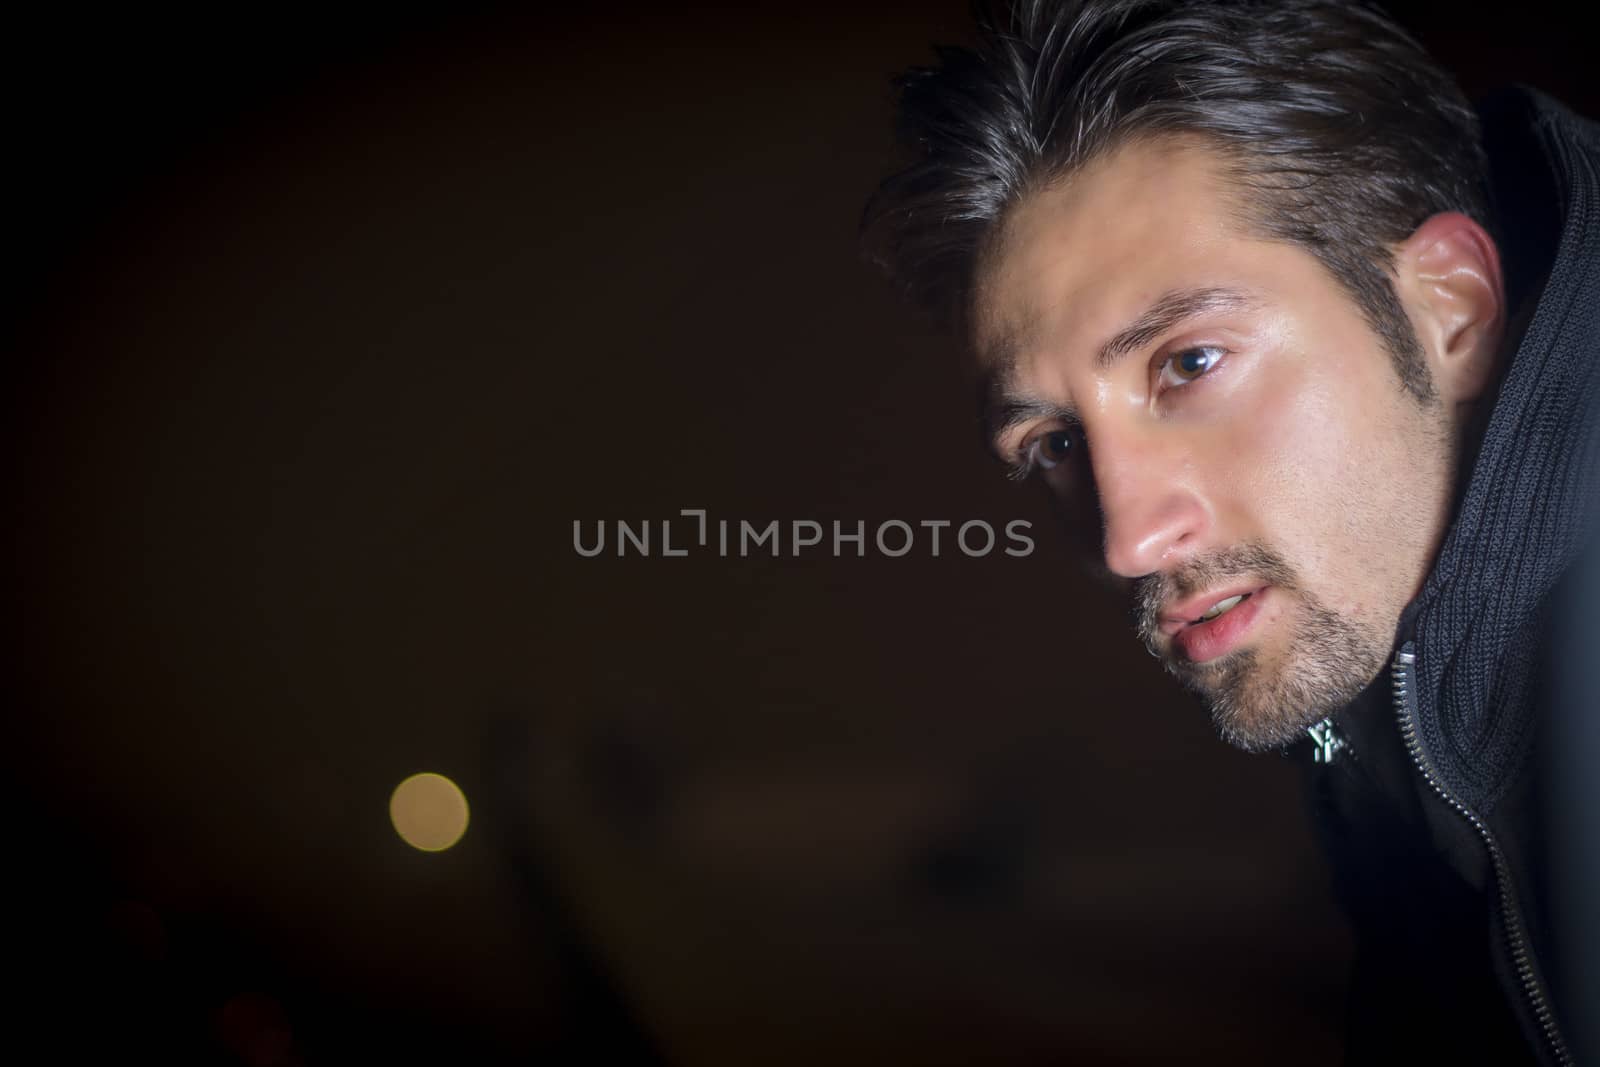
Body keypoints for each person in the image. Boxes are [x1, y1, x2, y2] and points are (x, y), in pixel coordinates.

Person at [861, 1, 1600, 1062]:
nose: (1128, 539)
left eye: (1190, 361)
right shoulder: (1372, 638)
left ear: (1448, 303)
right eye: (1054, 443)